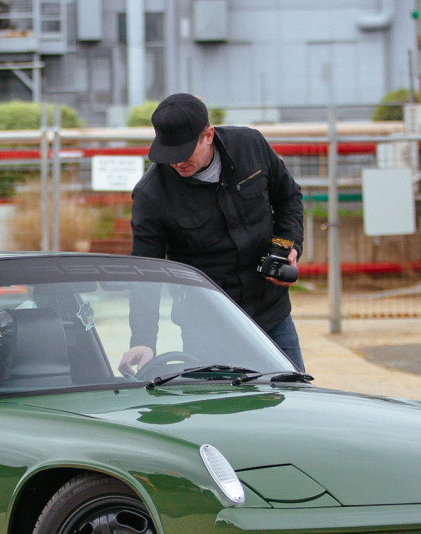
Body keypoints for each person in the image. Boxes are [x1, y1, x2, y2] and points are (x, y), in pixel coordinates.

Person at [120, 92, 307, 376]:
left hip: (271, 316)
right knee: (219, 415)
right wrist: (144, 340)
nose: (176, 163)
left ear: (208, 135)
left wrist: (289, 247)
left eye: (183, 153)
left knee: (293, 401)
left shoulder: (251, 146)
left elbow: (289, 196)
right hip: (206, 328)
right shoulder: (151, 195)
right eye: (168, 155)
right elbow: (147, 273)